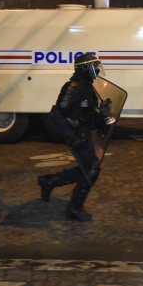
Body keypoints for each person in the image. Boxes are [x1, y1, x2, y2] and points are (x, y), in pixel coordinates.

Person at [37, 53, 113, 222]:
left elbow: (89, 116)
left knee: (88, 169)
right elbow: (57, 115)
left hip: (85, 134)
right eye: (94, 67)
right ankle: (74, 208)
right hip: (77, 135)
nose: (97, 70)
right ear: (85, 68)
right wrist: (71, 138)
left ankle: (49, 182)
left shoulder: (89, 87)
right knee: (91, 170)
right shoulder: (72, 87)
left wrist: (104, 116)